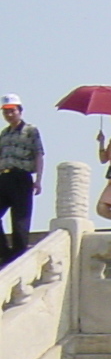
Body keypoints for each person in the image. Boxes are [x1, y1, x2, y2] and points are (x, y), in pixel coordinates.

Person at [0, 95, 44, 259]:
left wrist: (38, 180)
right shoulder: (4, 134)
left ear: (19, 111)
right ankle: (4, 253)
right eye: (6, 112)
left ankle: (17, 256)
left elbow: (39, 154)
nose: (9, 115)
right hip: (4, 177)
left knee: (20, 221)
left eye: (12, 111)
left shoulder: (31, 131)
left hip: (21, 177)